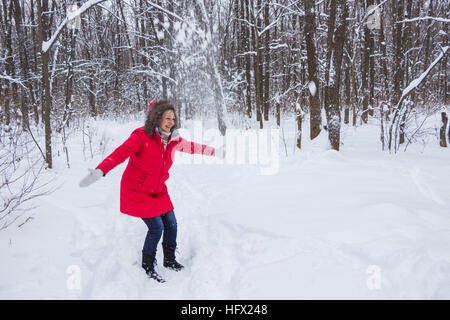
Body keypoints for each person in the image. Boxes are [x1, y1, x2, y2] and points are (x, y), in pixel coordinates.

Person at [79, 100, 225, 282]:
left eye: (173, 118)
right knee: (157, 227)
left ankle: (169, 260)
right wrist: (101, 170)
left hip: (157, 189)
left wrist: (214, 151)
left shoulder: (173, 139)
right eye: (166, 118)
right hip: (136, 190)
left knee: (171, 224)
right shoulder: (141, 137)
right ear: (156, 118)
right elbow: (120, 153)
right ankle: (147, 264)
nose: (170, 122)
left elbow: (193, 147)